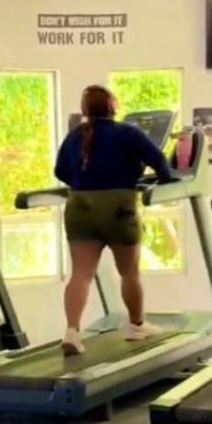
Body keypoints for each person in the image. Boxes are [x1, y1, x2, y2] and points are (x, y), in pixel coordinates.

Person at [54, 86, 175, 357]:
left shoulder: (75, 136)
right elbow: (159, 161)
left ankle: (72, 331)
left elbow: (60, 171)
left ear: (85, 109)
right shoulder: (128, 132)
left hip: (79, 206)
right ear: (112, 106)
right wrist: (165, 178)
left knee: (81, 274)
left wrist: (85, 180)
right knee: (129, 272)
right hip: (119, 206)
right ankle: (136, 325)